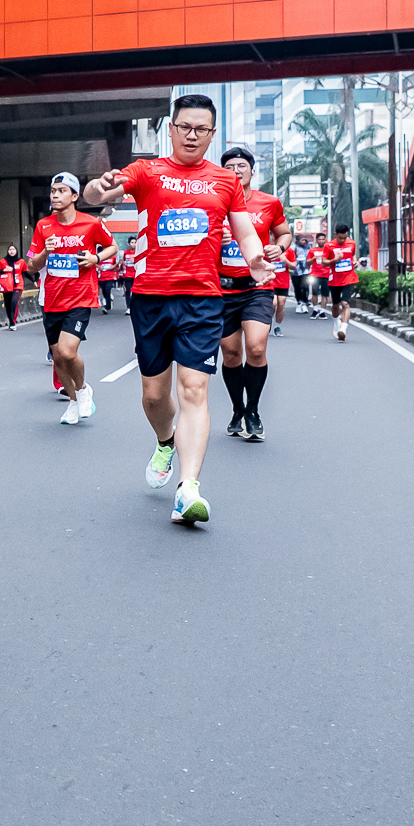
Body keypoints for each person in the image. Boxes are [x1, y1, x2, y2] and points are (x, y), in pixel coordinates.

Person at [85, 93, 274, 525]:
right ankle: (165, 441)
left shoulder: (225, 181)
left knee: (193, 390)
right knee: (155, 395)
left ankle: (188, 488)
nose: (192, 135)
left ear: (211, 134)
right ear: (171, 129)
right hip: (151, 297)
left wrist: (255, 258)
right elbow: (99, 193)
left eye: (201, 129)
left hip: (203, 299)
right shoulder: (147, 172)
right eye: (184, 127)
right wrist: (99, 186)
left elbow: (244, 231)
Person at [27, 171, 115, 427]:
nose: (55, 195)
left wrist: (95, 258)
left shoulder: (91, 223)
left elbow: (112, 247)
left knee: (67, 351)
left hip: (80, 298)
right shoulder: (43, 226)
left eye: (61, 191)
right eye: (53, 191)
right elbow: (32, 265)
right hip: (52, 298)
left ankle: (83, 389)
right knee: (57, 358)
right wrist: (45, 252)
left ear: (75, 196)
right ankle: (74, 401)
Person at [216, 147, 289, 442]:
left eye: (241, 166)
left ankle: (253, 411)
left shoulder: (268, 202)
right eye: (229, 167)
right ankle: (238, 409)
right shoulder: (212, 202)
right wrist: (214, 237)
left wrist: (278, 247)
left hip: (257, 287)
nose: (236, 171)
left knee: (256, 348)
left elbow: (284, 233)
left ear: (252, 171)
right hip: (222, 289)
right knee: (231, 354)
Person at [325, 223, 360, 341]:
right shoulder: (329, 246)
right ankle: (336, 324)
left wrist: (355, 262)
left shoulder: (352, 243)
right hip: (334, 279)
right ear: (335, 234)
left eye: (344, 238)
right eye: (340, 238)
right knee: (335, 305)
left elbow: (353, 255)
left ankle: (343, 329)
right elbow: (324, 262)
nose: (342, 240)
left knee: (345, 303)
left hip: (349, 277)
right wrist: (335, 260)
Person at [0, 245, 26, 328]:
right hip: (7, 286)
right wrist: (4, 270)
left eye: (13, 249)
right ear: (8, 251)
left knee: (14, 302)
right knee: (8, 304)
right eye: (10, 249)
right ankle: (10, 320)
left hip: (18, 285)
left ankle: (13, 323)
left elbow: (25, 272)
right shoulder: (3, 261)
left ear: (16, 251)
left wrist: (34, 280)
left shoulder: (21, 261)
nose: (12, 251)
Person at [96, 223, 122, 314]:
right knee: (103, 291)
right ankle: (107, 303)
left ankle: (107, 306)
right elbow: (94, 263)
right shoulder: (100, 256)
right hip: (101, 277)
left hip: (109, 277)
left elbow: (116, 265)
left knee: (107, 290)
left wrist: (112, 267)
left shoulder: (113, 256)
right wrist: (99, 266)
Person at [308, 232, 333, 317]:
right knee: (314, 292)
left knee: (325, 294)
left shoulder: (329, 250)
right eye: (319, 239)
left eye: (323, 239)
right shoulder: (312, 250)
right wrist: (313, 258)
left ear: (325, 240)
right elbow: (308, 262)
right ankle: (315, 309)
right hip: (315, 274)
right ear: (316, 240)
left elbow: (332, 261)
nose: (321, 241)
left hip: (326, 274)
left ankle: (322, 311)